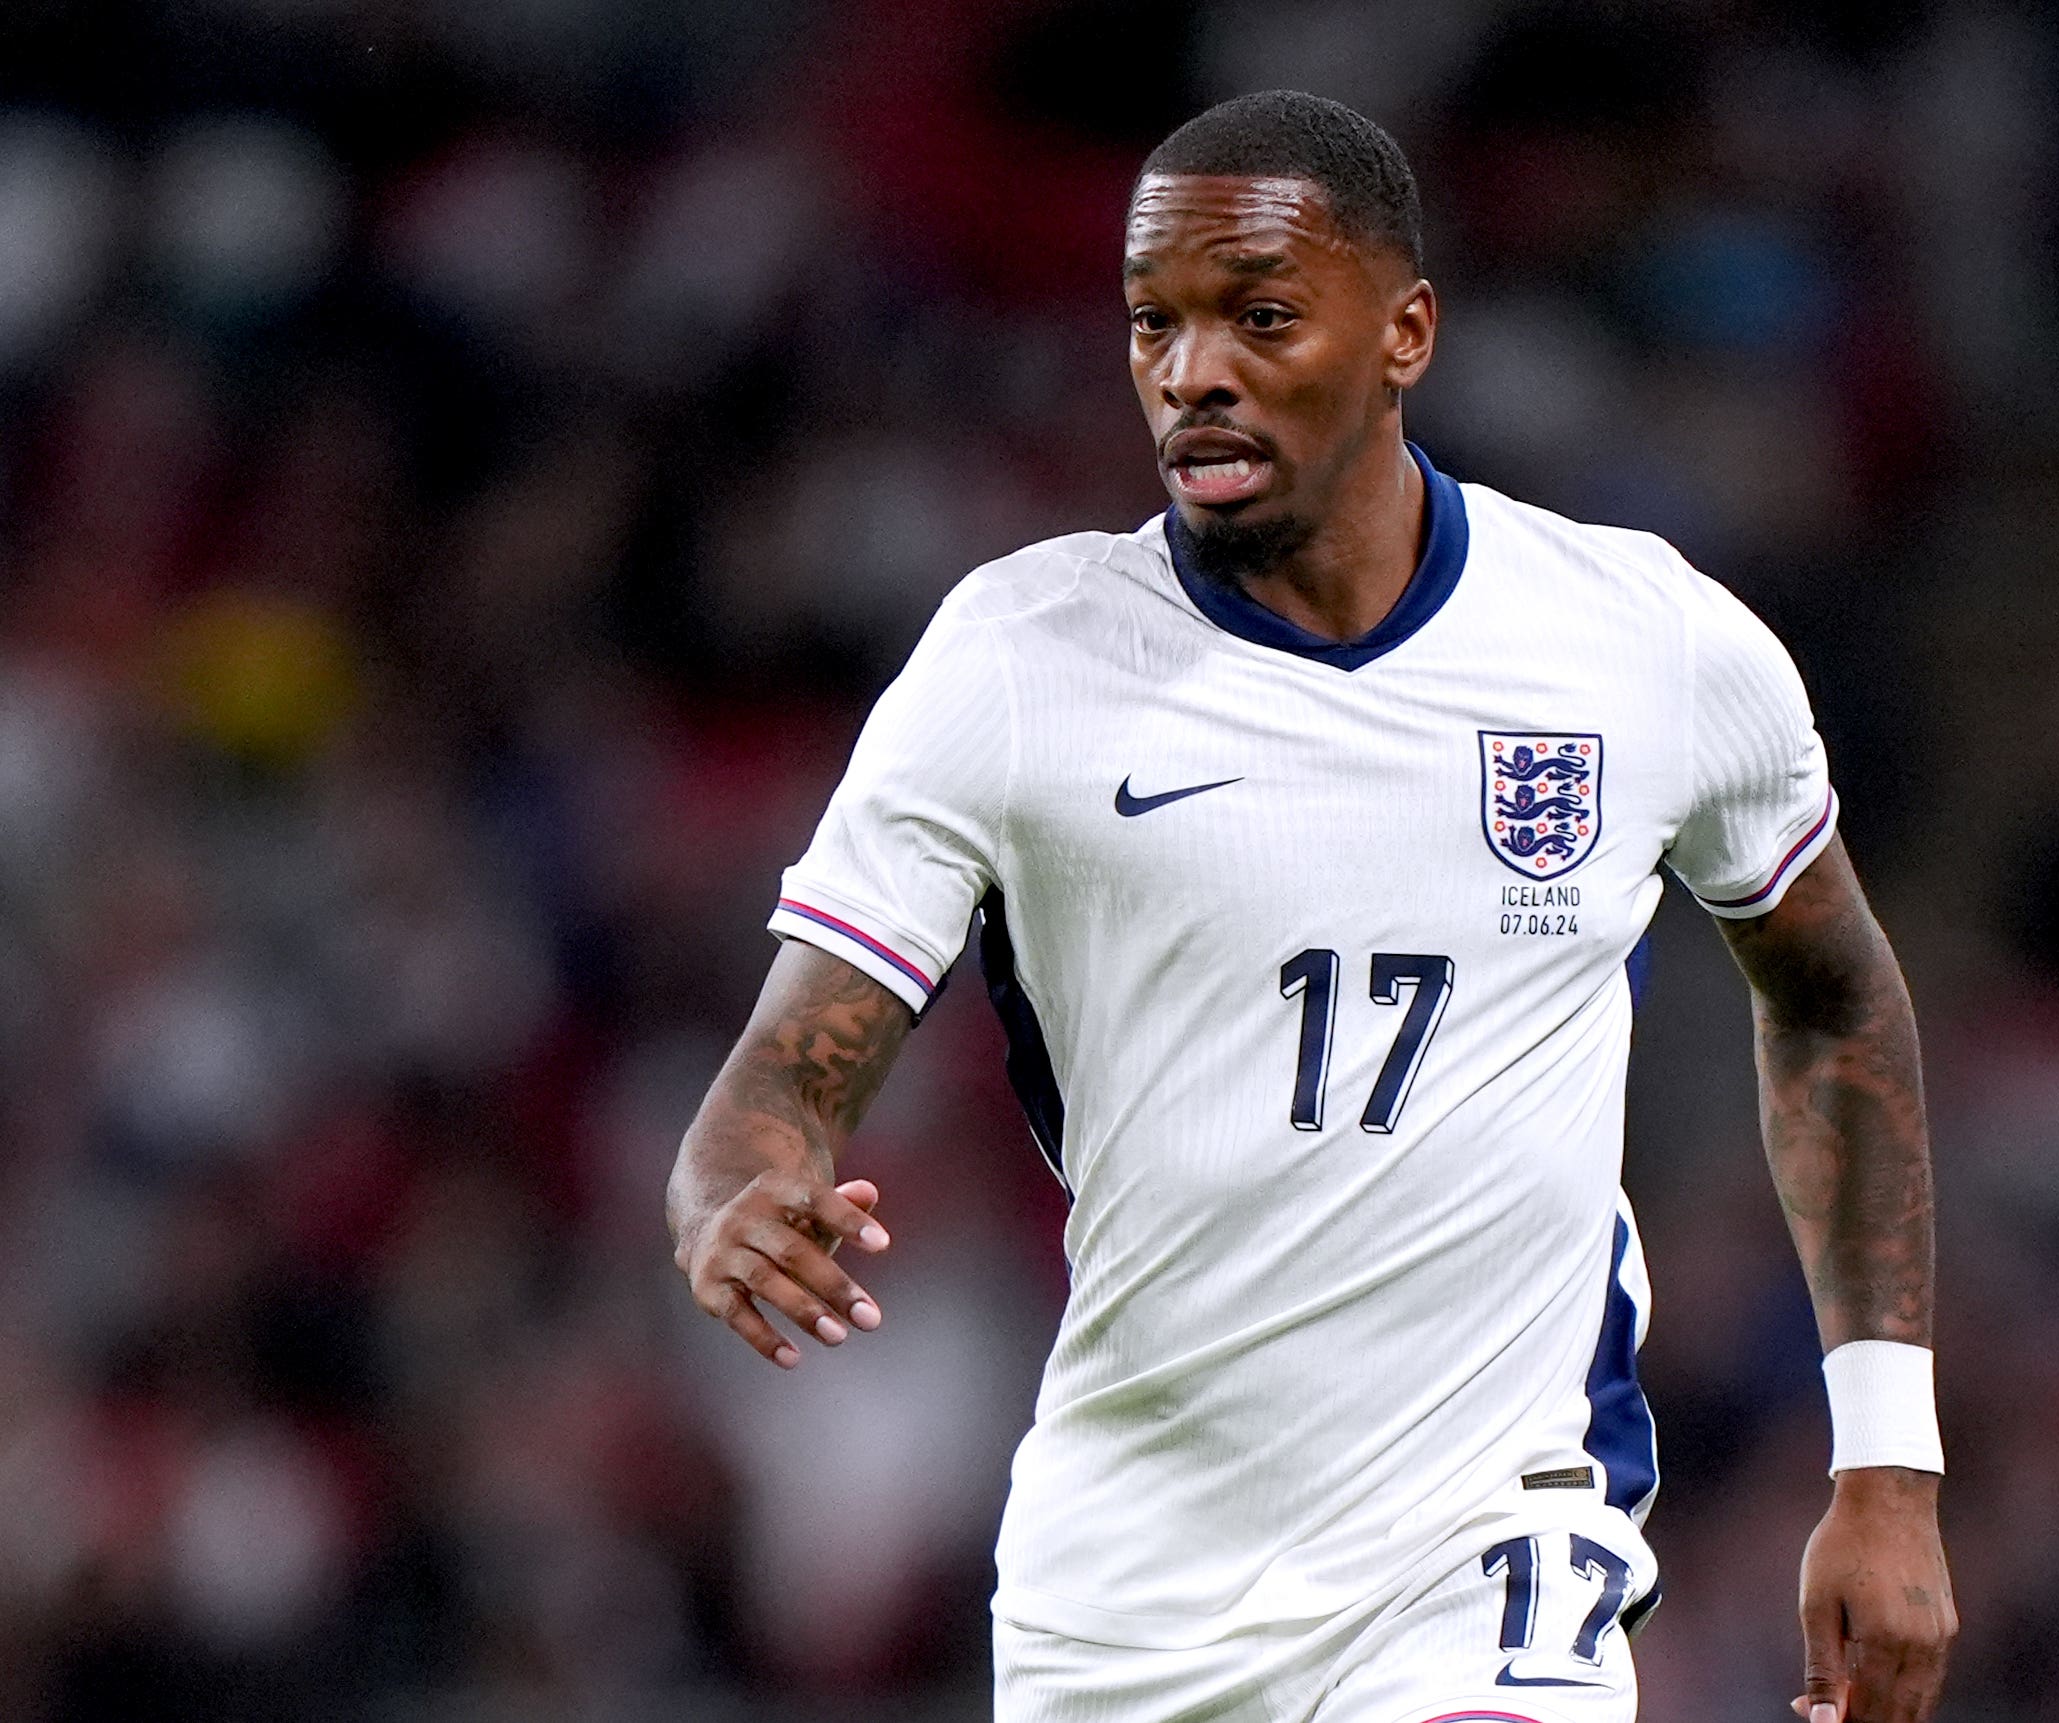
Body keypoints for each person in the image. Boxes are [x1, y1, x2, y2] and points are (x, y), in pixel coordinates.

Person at [666, 89, 1954, 1723]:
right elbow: (780, 1079)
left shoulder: (1642, 644)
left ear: (1407, 328)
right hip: (1128, 1588)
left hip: (1486, 1546)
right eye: (1155, 323)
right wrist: (738, 1196)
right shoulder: (1019, 661)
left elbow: (1834, 994)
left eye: (1259, 315)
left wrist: (1889, 1468)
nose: (1193, 369)